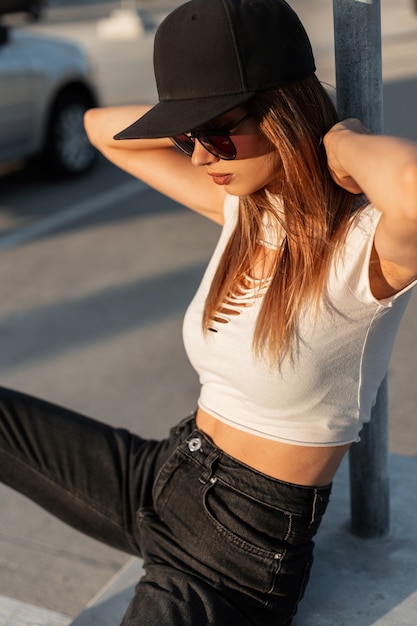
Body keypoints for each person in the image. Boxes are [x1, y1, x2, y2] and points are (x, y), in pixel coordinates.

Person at [1, 0, 417, 623]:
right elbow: (96, 127)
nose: (199, 158)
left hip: (236, 553)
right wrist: (196, 113)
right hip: (164, 472)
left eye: (217, 131)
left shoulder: (367, 248)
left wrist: (340, 139)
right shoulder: (244, 213)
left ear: (284, 114)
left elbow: (411, 182)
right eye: (188, 136)